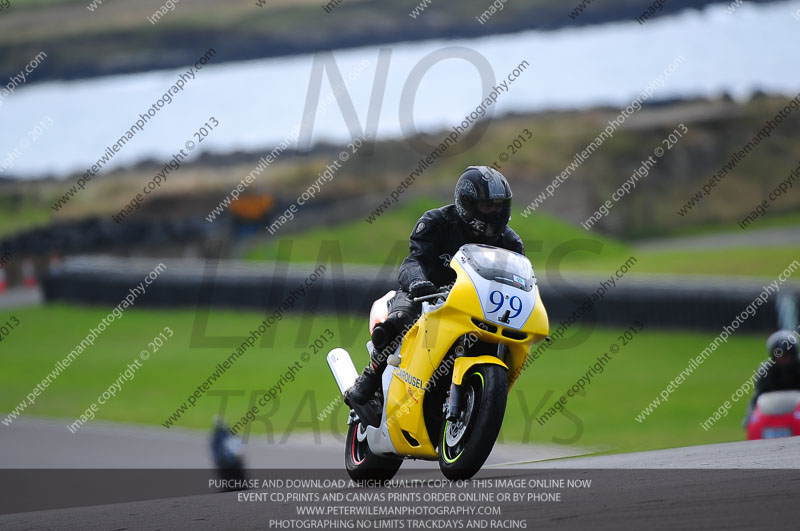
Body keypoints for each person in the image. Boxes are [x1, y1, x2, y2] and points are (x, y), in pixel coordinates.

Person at [343, 166, 524, 423]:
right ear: (466, 203)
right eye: (487, 206)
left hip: (476, 306)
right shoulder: (437, 222)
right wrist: (419, 283)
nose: (494, 212)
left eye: (498, 206)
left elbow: (518, 279)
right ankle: (369, 380)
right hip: (427, 296)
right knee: (397, 321)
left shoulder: (511, 243)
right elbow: (413, 260)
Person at [744, 329, 800, 426]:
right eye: (779, 356)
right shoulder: (766, 371)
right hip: (773, 416)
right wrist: (749, 417)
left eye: (786, 356)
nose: (783, 360)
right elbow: (758, 397)